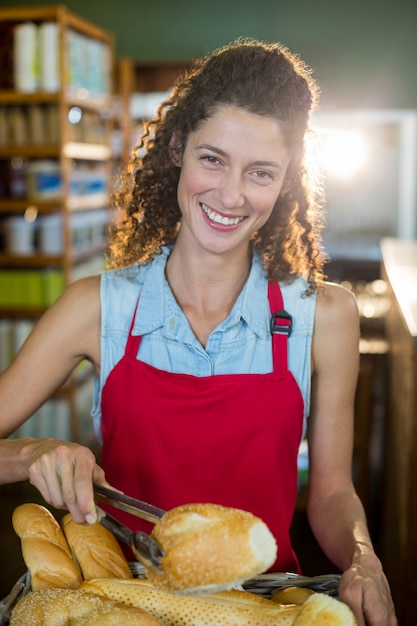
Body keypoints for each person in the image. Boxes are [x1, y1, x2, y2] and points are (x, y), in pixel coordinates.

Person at [0, 38, 396, 625]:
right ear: (178, 149)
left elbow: (333, 493)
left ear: (286, 182)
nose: (231, 196)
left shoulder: (324, 318)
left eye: (259, 173)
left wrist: (364, 560)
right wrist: (34, 451)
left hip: (264, 606)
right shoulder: (97, 309)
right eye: (213, 159)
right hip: (122, 604)